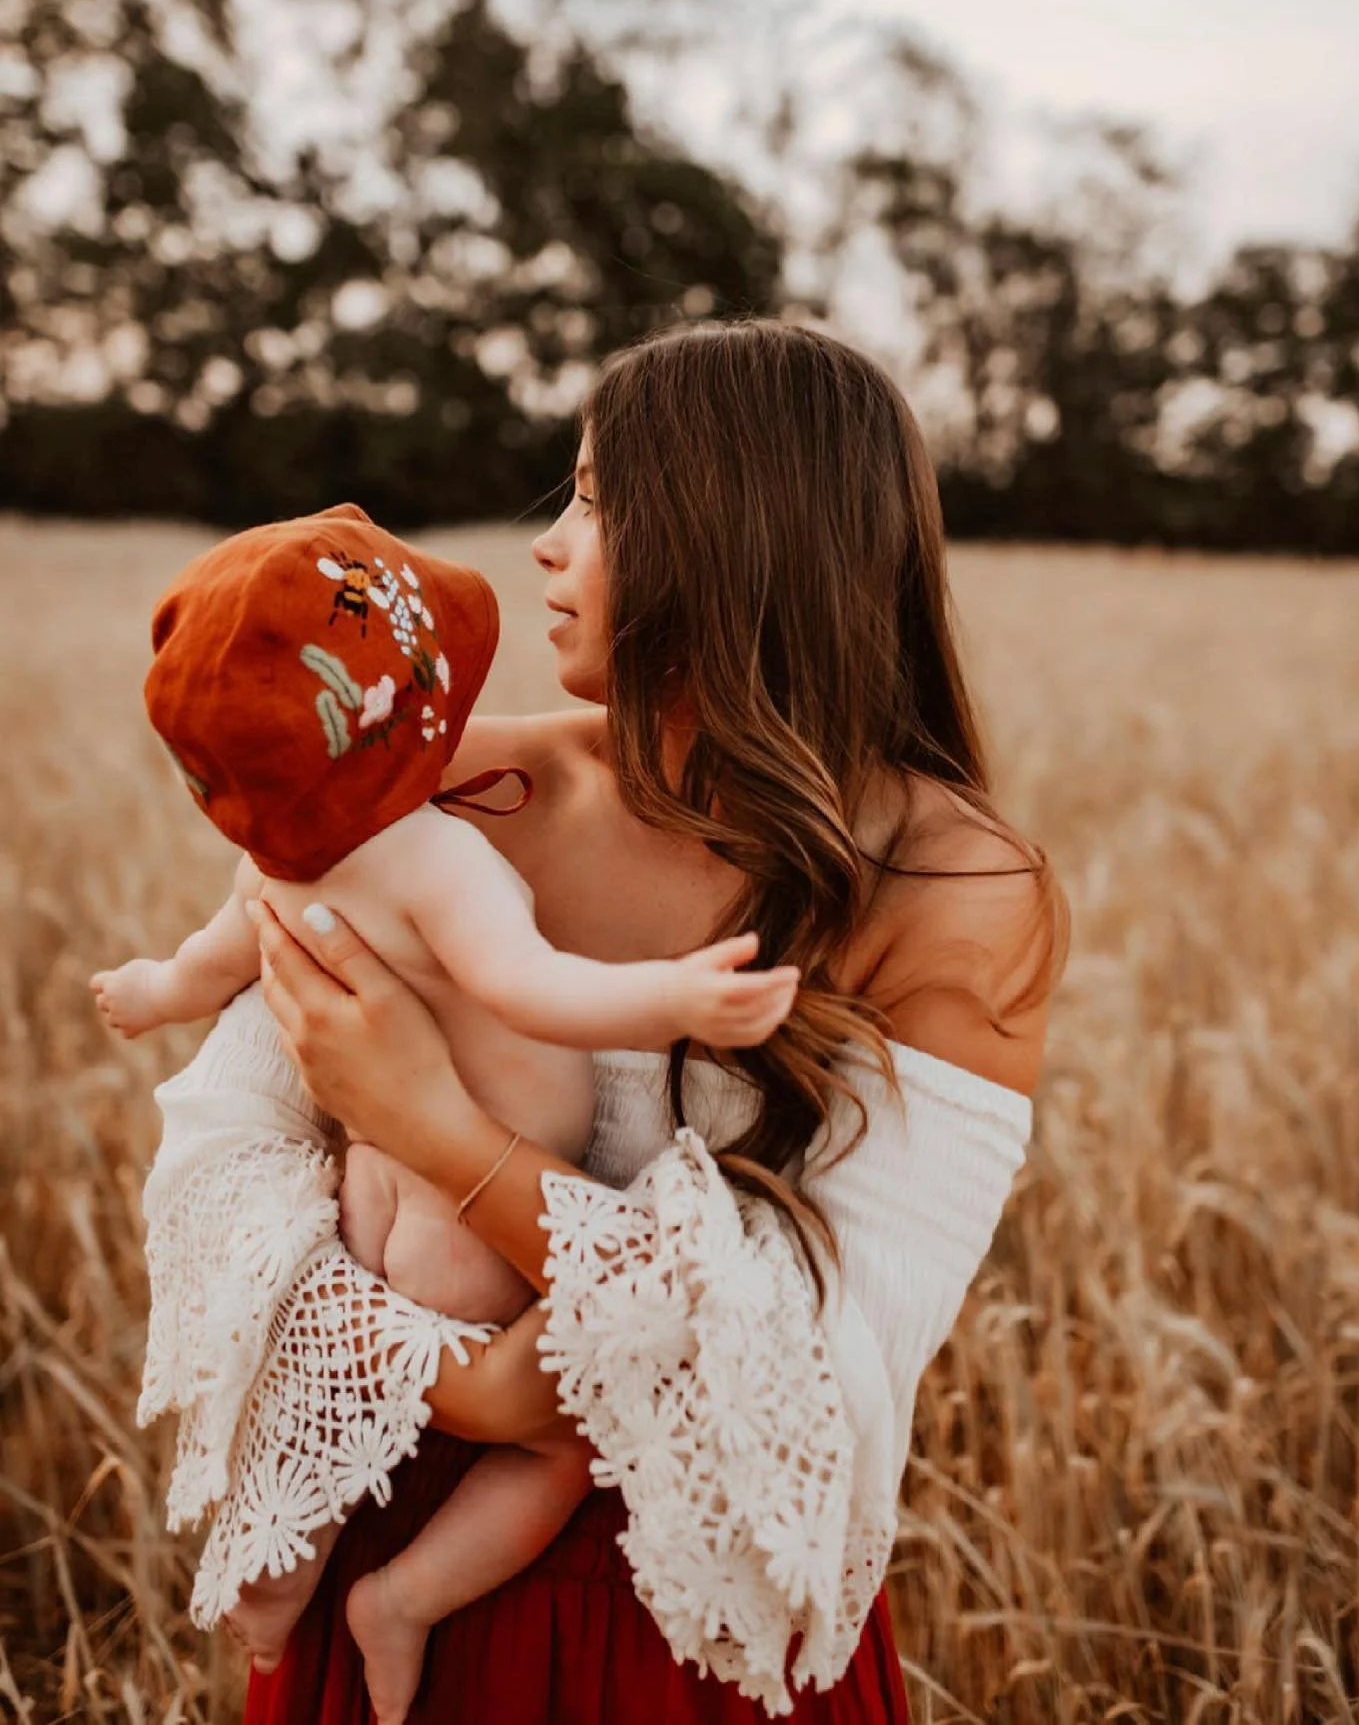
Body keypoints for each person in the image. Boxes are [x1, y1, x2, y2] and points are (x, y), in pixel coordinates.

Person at [216, 318, 1067, 1722]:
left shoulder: (955, 890)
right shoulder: (459, 786)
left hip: (699, 1624)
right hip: (388, 1555)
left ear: (731, 538)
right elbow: (234, 1160)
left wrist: (432, 1123)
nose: (549, 544)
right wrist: (459, 1388)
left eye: (600, 500)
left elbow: (808, 1358)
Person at [92, 510, 799, 1723]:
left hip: (367, 1188)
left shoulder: (285, 862)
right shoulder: (436, 858)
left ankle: (282, 1569)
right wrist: (672, 995)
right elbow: (532, 987)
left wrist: (150, 993)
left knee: (345, 1387)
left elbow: (207, 967)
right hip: (468, 1228)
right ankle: (404, 1598)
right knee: (555, 1449)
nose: (548, 541)